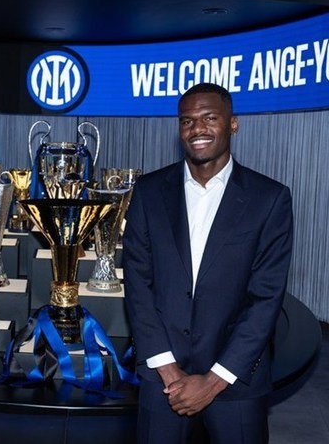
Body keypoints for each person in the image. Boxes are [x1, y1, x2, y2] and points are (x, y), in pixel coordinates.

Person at [122, 82, 293, 444]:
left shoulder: (269, 199)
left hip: (236, 378)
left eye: (209, 118)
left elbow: (265, 298)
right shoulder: (149, 191)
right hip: (162, 376)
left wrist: (214, 381)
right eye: (187, 121)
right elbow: (137, 283)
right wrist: (167, 368)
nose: (196, 128)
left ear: (233, 123)